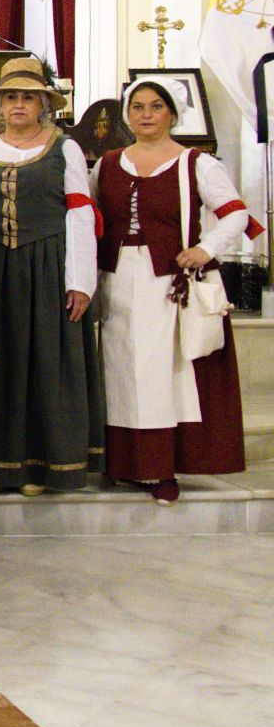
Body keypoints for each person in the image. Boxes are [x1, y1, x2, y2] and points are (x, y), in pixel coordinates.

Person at [92, 80, 259, 503]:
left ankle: (159, 466)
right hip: (115, 281)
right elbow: (90, 220)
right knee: (119, 371)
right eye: (138, 107)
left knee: (161, 374)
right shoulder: (108, 164)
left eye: (156, 106)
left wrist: (204, 249)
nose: (146, 114)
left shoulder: (196, 164)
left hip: (168, 285)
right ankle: (124, 463)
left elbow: (236, 216)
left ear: (172, 114)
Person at [0, 58, 103, 498]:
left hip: (46, 265)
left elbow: (79, 214)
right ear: (0, 104)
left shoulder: (64, 148)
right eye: (11, 97)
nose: (18, 105)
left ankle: (45, 463)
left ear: (42, 104)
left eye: (27, 97)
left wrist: (79, 281)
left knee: (43, 360)